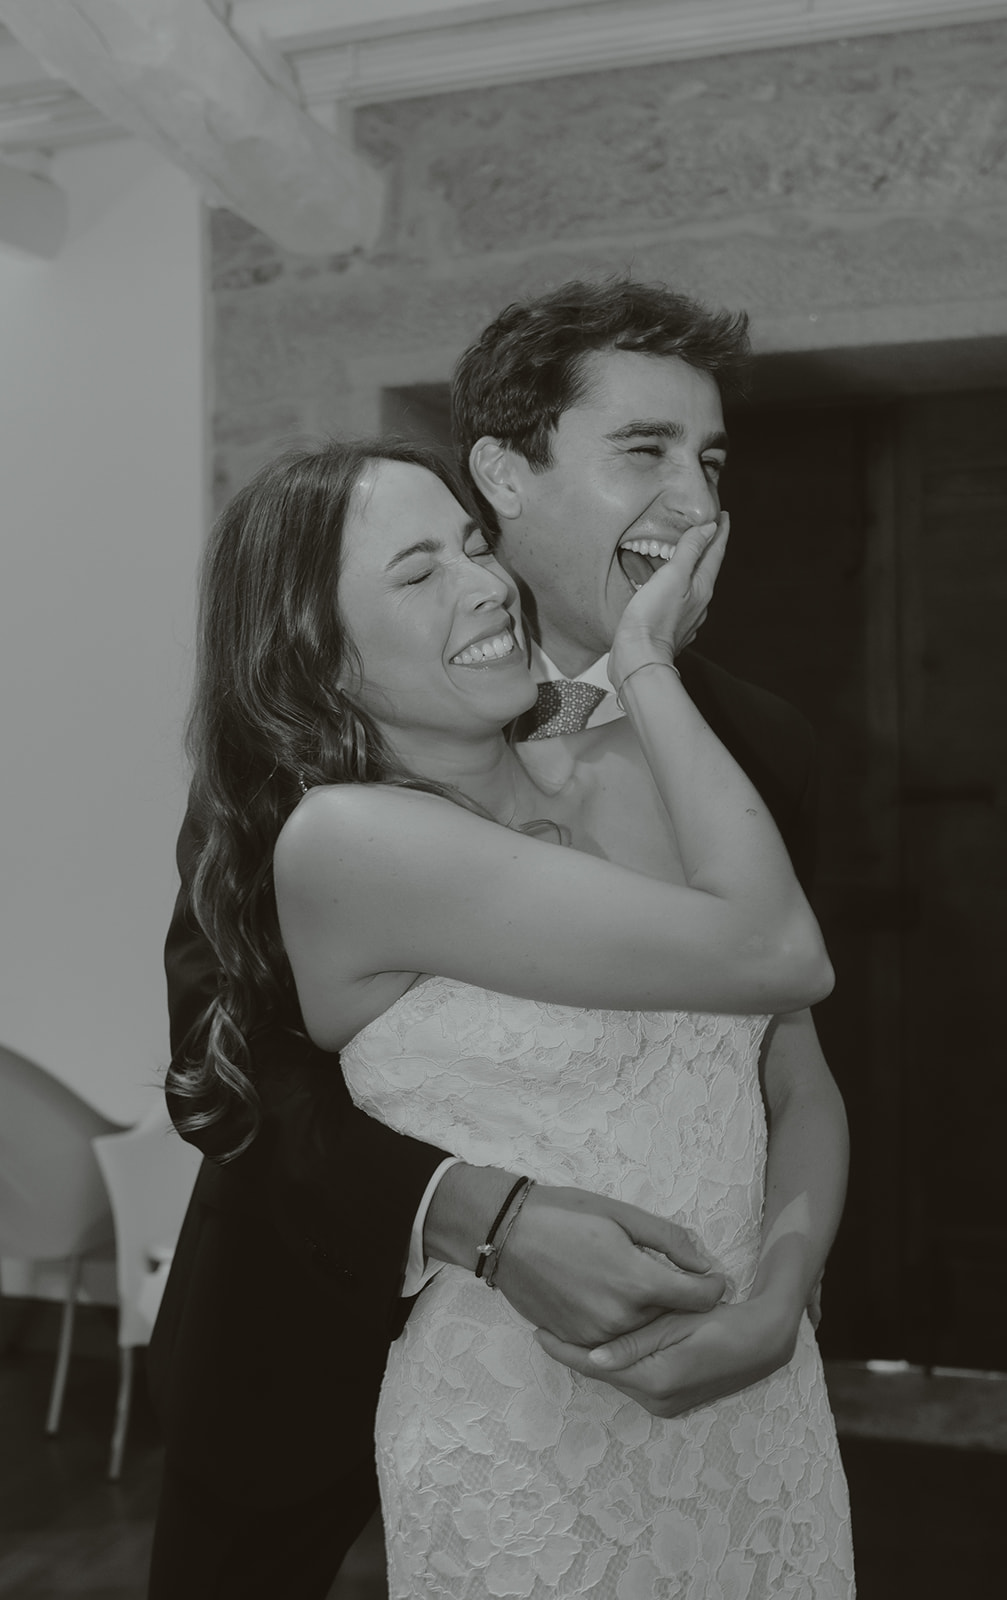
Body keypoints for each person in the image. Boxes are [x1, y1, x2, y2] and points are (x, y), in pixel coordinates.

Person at [148, 279, 850, 1598]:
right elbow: (232, 1064)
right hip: (326, 1334)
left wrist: (783, 1288)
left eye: (710, 462)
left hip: (689, 1378)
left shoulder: (757, 744)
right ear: (506, 475)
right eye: (643, 450)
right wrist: (482, 1219)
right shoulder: (319, 758)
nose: (695, 503)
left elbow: (788, 1059)